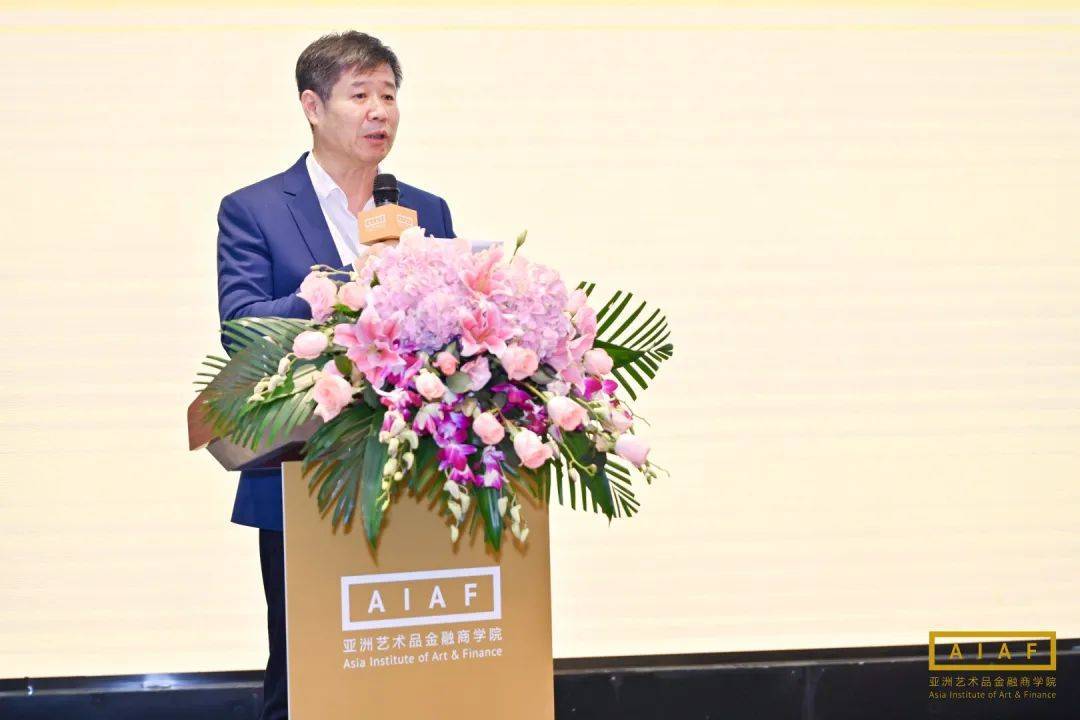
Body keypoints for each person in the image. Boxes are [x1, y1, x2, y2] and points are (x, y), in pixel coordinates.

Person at [215, 31, 454, 720]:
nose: (380, 111)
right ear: (313, 106)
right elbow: (241, 325)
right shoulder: (255, 209)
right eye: (360, 95)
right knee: (307, 672)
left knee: (411, 669)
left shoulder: (426, 210)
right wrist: (334, 293)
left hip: (416, 474)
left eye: (389, 95)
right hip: (304, 472)